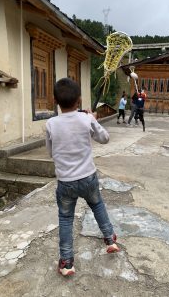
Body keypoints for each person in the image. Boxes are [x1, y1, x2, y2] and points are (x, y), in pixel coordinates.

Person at [46, 78, 120, 277]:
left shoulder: (51, 123)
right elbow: (104, 139)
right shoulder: (86, 119)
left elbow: (50, 153)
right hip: (88, 177)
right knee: (97, 205)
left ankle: (67, 262)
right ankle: (110, 239)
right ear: (79, 100)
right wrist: (93, 119)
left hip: (65, 182)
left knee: (65, 218)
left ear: (55, 101)